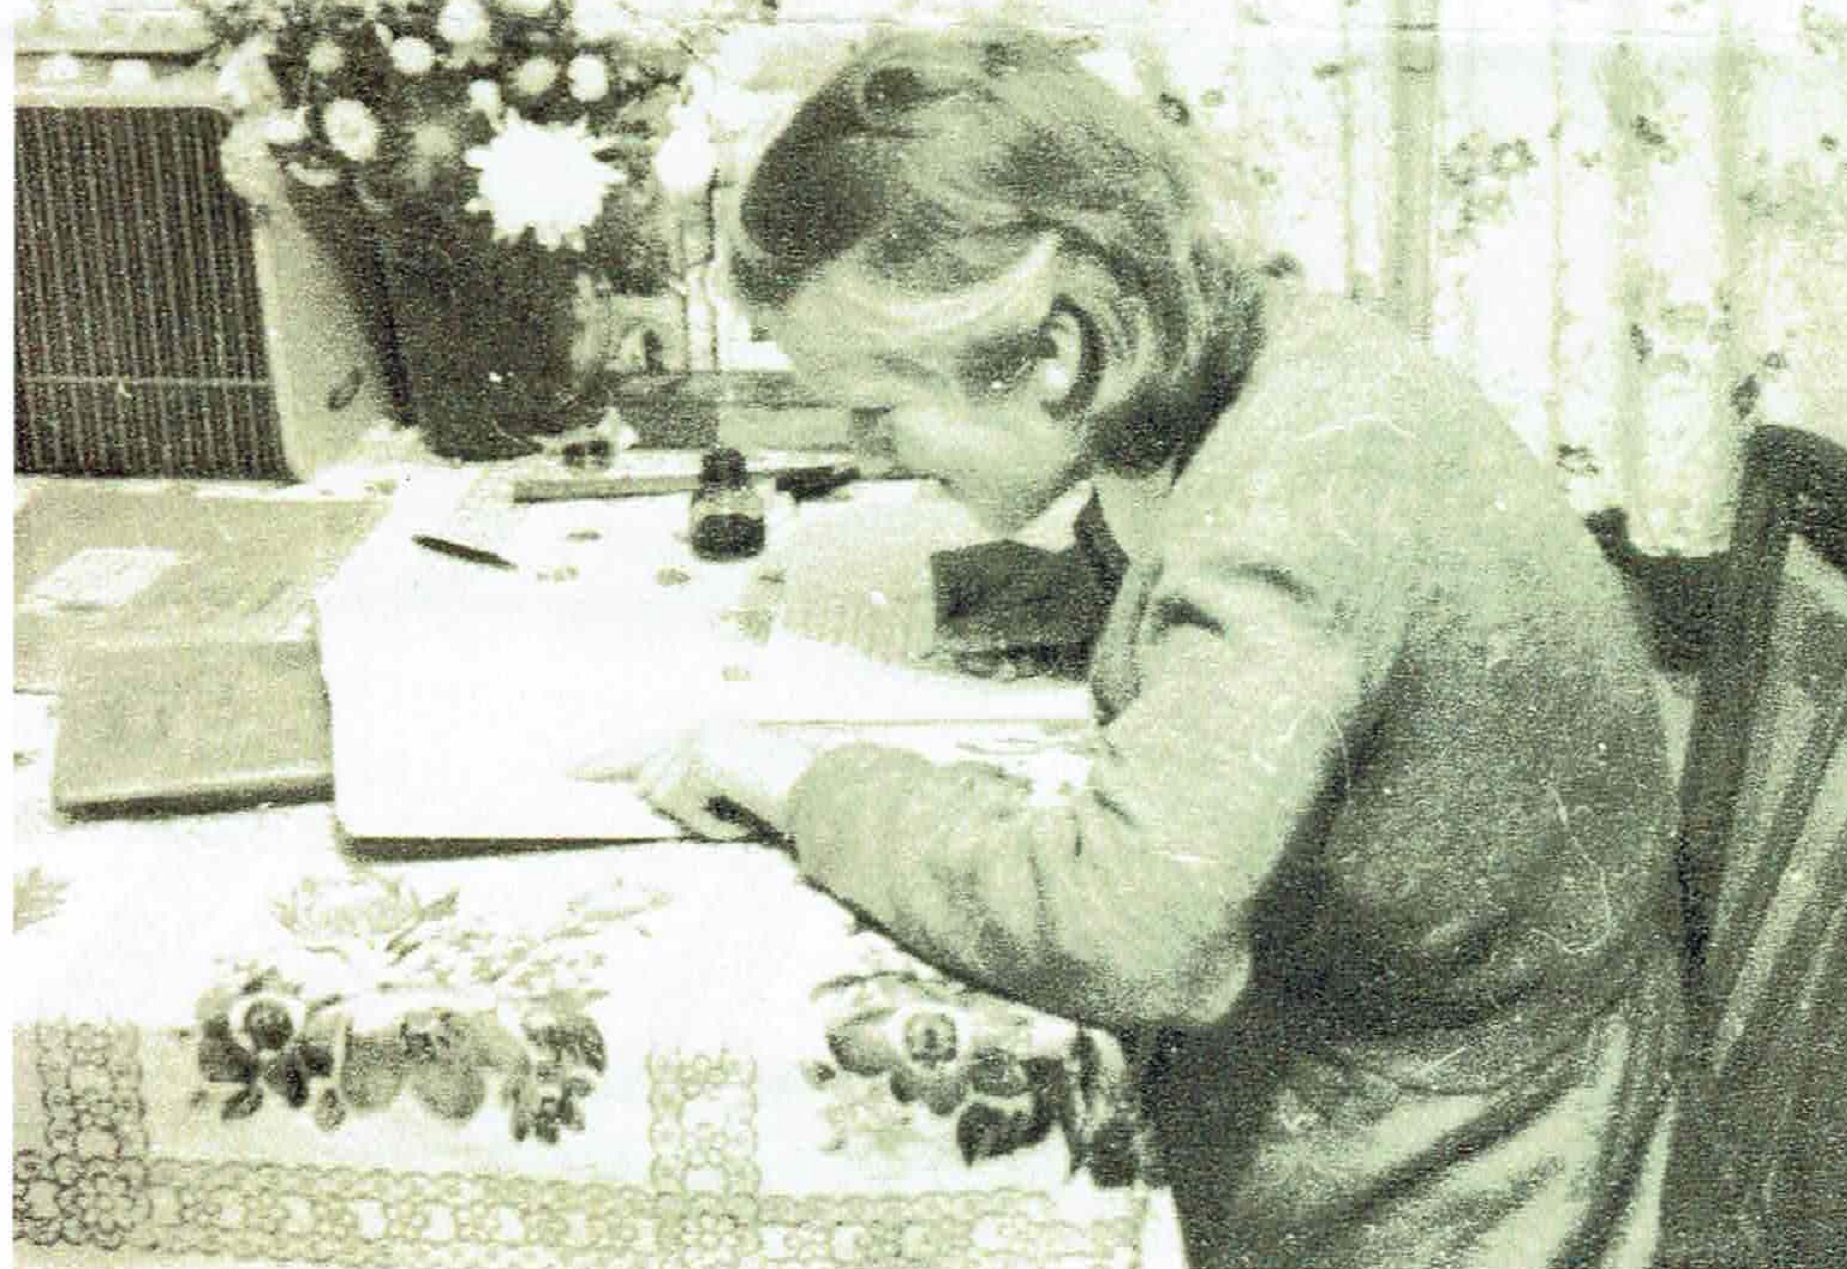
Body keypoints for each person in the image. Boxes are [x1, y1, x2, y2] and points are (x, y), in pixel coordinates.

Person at [582, 26, 1686, 1268]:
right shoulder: (1268, 351)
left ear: (1052, 353)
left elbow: (1126, 928)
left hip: (1442, 1169)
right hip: (1436, 1054)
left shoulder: (1301, 495)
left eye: (879, 409)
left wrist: (806, 780)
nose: (873, 455)